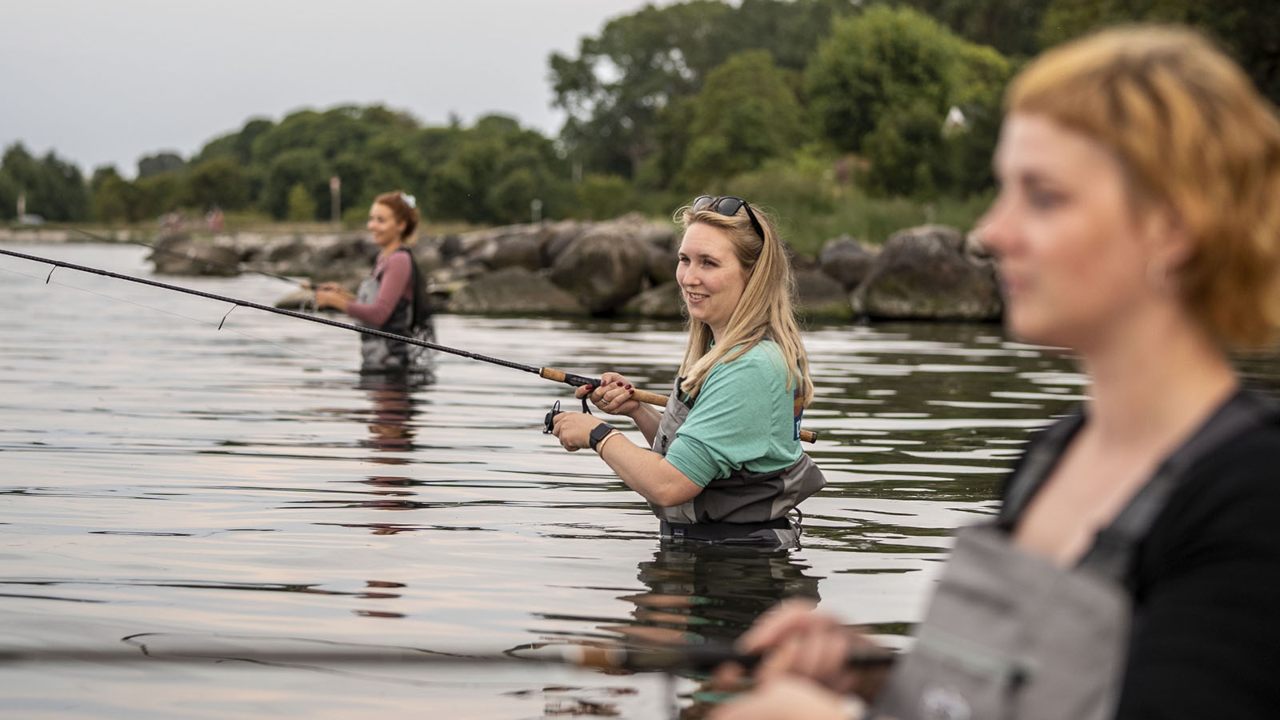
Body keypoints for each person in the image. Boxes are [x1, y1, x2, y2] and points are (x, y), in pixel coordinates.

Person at [711, 25, 1280, 720]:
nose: (988, 232)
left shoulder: (1254, 498)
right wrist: (876, 679)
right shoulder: (1049, 455)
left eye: (1041, 196)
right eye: (1002, 189)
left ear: (1172, 226)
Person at [550, 196, 827, 548]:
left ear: (753, 274)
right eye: (685, 260)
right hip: (710, 557)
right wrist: (636, 410)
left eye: (709, 263)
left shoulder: (750, 367)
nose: (689, 278)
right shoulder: (725, 353)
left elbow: (671, 484)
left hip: (739, 571)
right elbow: (693, 459)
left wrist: (597, 434)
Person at [315, 190, 433, 376]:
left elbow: (380, 314)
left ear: (401, 225)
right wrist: (342, 294)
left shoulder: (399, 260)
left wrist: (334, 301)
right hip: (377, 361)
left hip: (391, 366)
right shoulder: (384, 257)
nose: (372, 226)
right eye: (371, 219)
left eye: (381, 220)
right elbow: (383, 305)